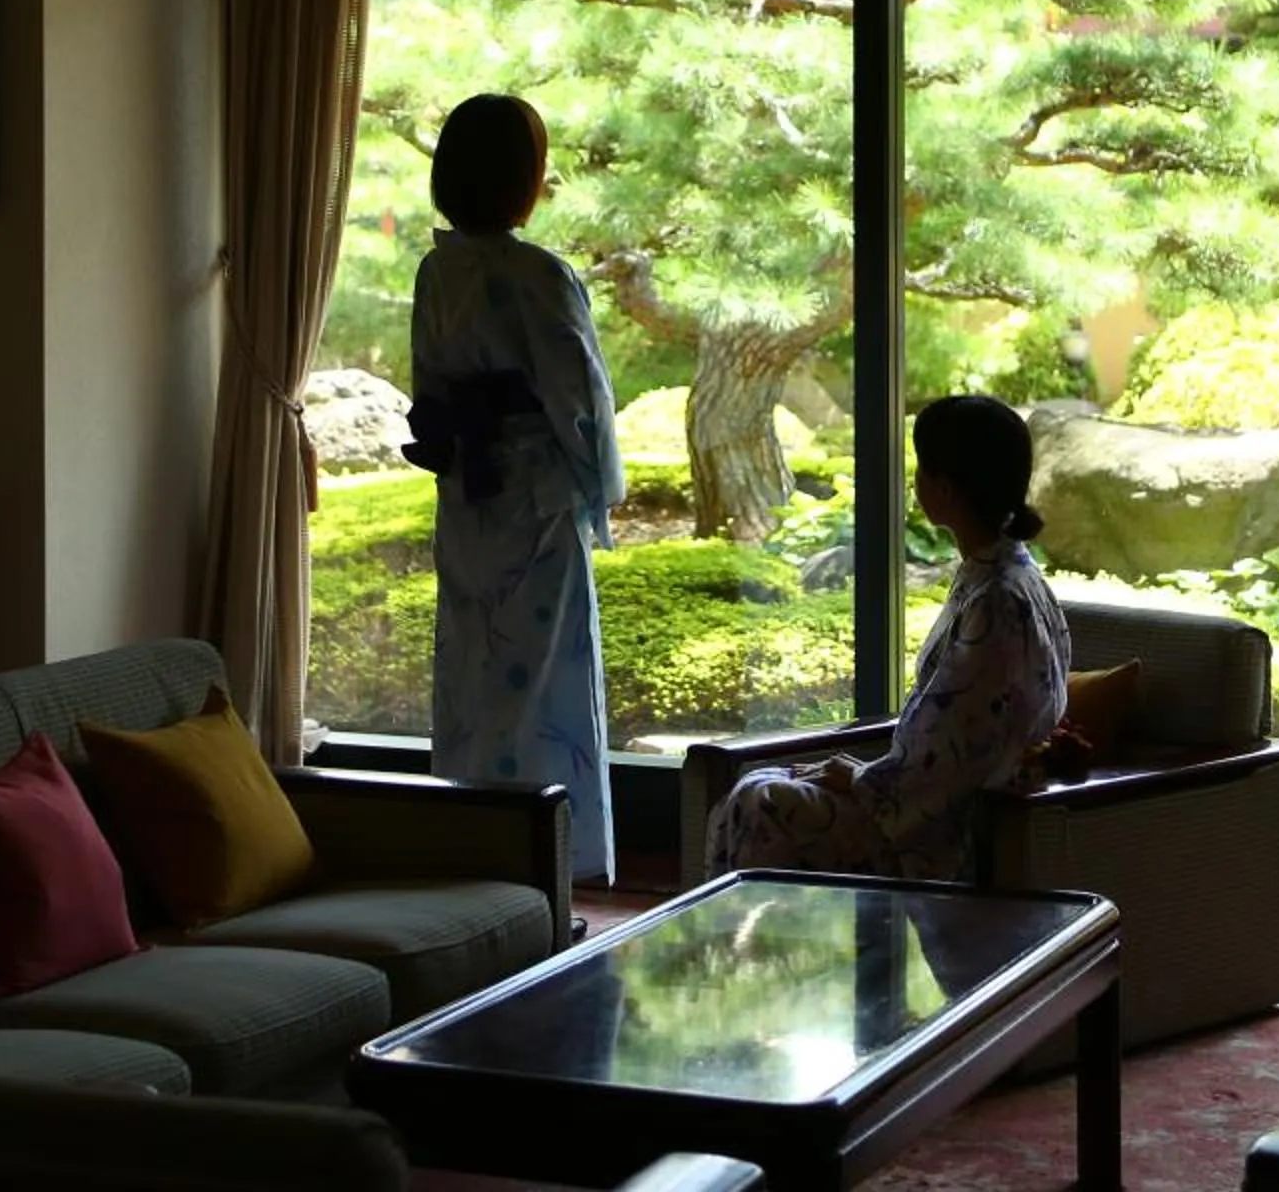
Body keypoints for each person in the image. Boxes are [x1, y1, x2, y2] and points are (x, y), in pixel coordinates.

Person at [704, 394, 1071, 882]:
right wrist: (863, 775)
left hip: (940, 834)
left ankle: (744, 951)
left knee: (761, 802)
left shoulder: (996, 601)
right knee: (764, 784)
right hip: (922, 803)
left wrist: (861, 779)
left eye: (923, 467)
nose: (916, 480)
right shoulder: (1010, 575)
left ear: (947, 484)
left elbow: (950, 765)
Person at [404, 93, 624, 885]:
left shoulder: (439, 270)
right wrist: (598, 489)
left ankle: (471, 858)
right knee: (542, 681)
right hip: (534, 500)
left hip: (469, 495)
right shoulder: (540, 275)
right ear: (523, 179)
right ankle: (546, 864)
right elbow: (579, 398)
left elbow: (430, 386)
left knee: (473, 675)